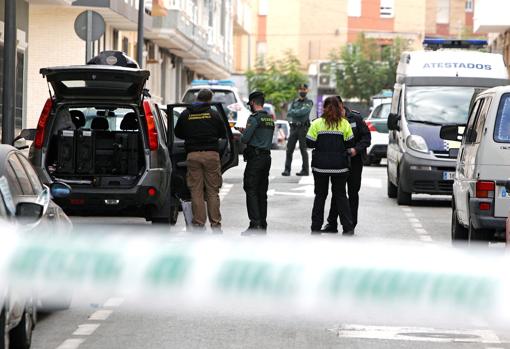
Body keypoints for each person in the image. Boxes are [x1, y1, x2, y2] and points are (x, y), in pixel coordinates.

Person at [174, 88, 227, 232]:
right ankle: (216, 225)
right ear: (209, 100)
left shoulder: (186, 114)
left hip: (193, 155)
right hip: (211, 155)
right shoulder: (214, 114)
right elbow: (223, 133)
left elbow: (177, 132)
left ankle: (198, 224)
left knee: (196, 191)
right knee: (212, 191)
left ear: (197, 98)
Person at [306, 96, 355, 234]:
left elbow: (309, 142)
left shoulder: (317, 123)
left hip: (320, 166)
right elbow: (350, 143)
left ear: (324, 108)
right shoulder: (344, 124)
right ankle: (348, 228)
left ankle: (316, 228)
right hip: (340, 166)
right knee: (340, 196)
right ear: (340, 108)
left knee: (320, 196)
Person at [322, 97, 371, 234]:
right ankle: (332, 224)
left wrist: (356, 149)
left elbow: (366, 138)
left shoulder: (355, 118)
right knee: (338, 192)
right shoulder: (331, 118)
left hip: (355, 161)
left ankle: (351, 225)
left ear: (341, 105)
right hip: (339, 161)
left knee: (353, 193)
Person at [240, 91, 275, 234]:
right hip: (267, 158)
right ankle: (262, 224)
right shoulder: (269, 119)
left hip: (255, 159)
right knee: (262, 192)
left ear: (253, 103)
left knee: (251, 189)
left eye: (250, 104)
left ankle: (255, 225)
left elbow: (245, 139)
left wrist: (243, 131)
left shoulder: (254, 118)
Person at [282, 84, 313, 177]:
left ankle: (305, 170)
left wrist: (295, 112)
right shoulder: (294, 102)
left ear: (307, 90)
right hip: (294, 128)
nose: (302, 91)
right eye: (300, 89)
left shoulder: (309, 102)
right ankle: (287, 170)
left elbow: (304, 112)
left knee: (303, 149)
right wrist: (297, 112)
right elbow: (289, 113)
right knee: (289, 149)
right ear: (298, 91)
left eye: (304, 89)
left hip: (303, 128)